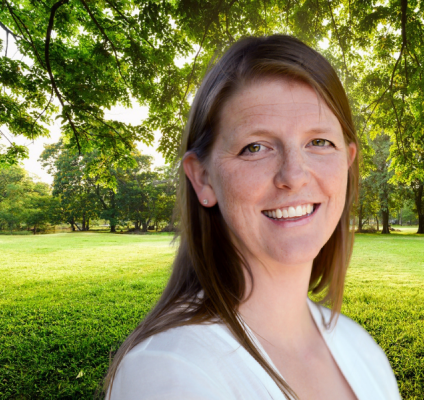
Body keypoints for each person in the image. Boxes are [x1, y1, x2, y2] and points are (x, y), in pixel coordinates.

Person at [105, 35, 400, 400]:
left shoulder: (362, 348)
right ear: (203, 178)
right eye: (255, 147)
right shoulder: (168, 371)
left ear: (348, 161)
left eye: (319, 142)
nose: (294, 175)